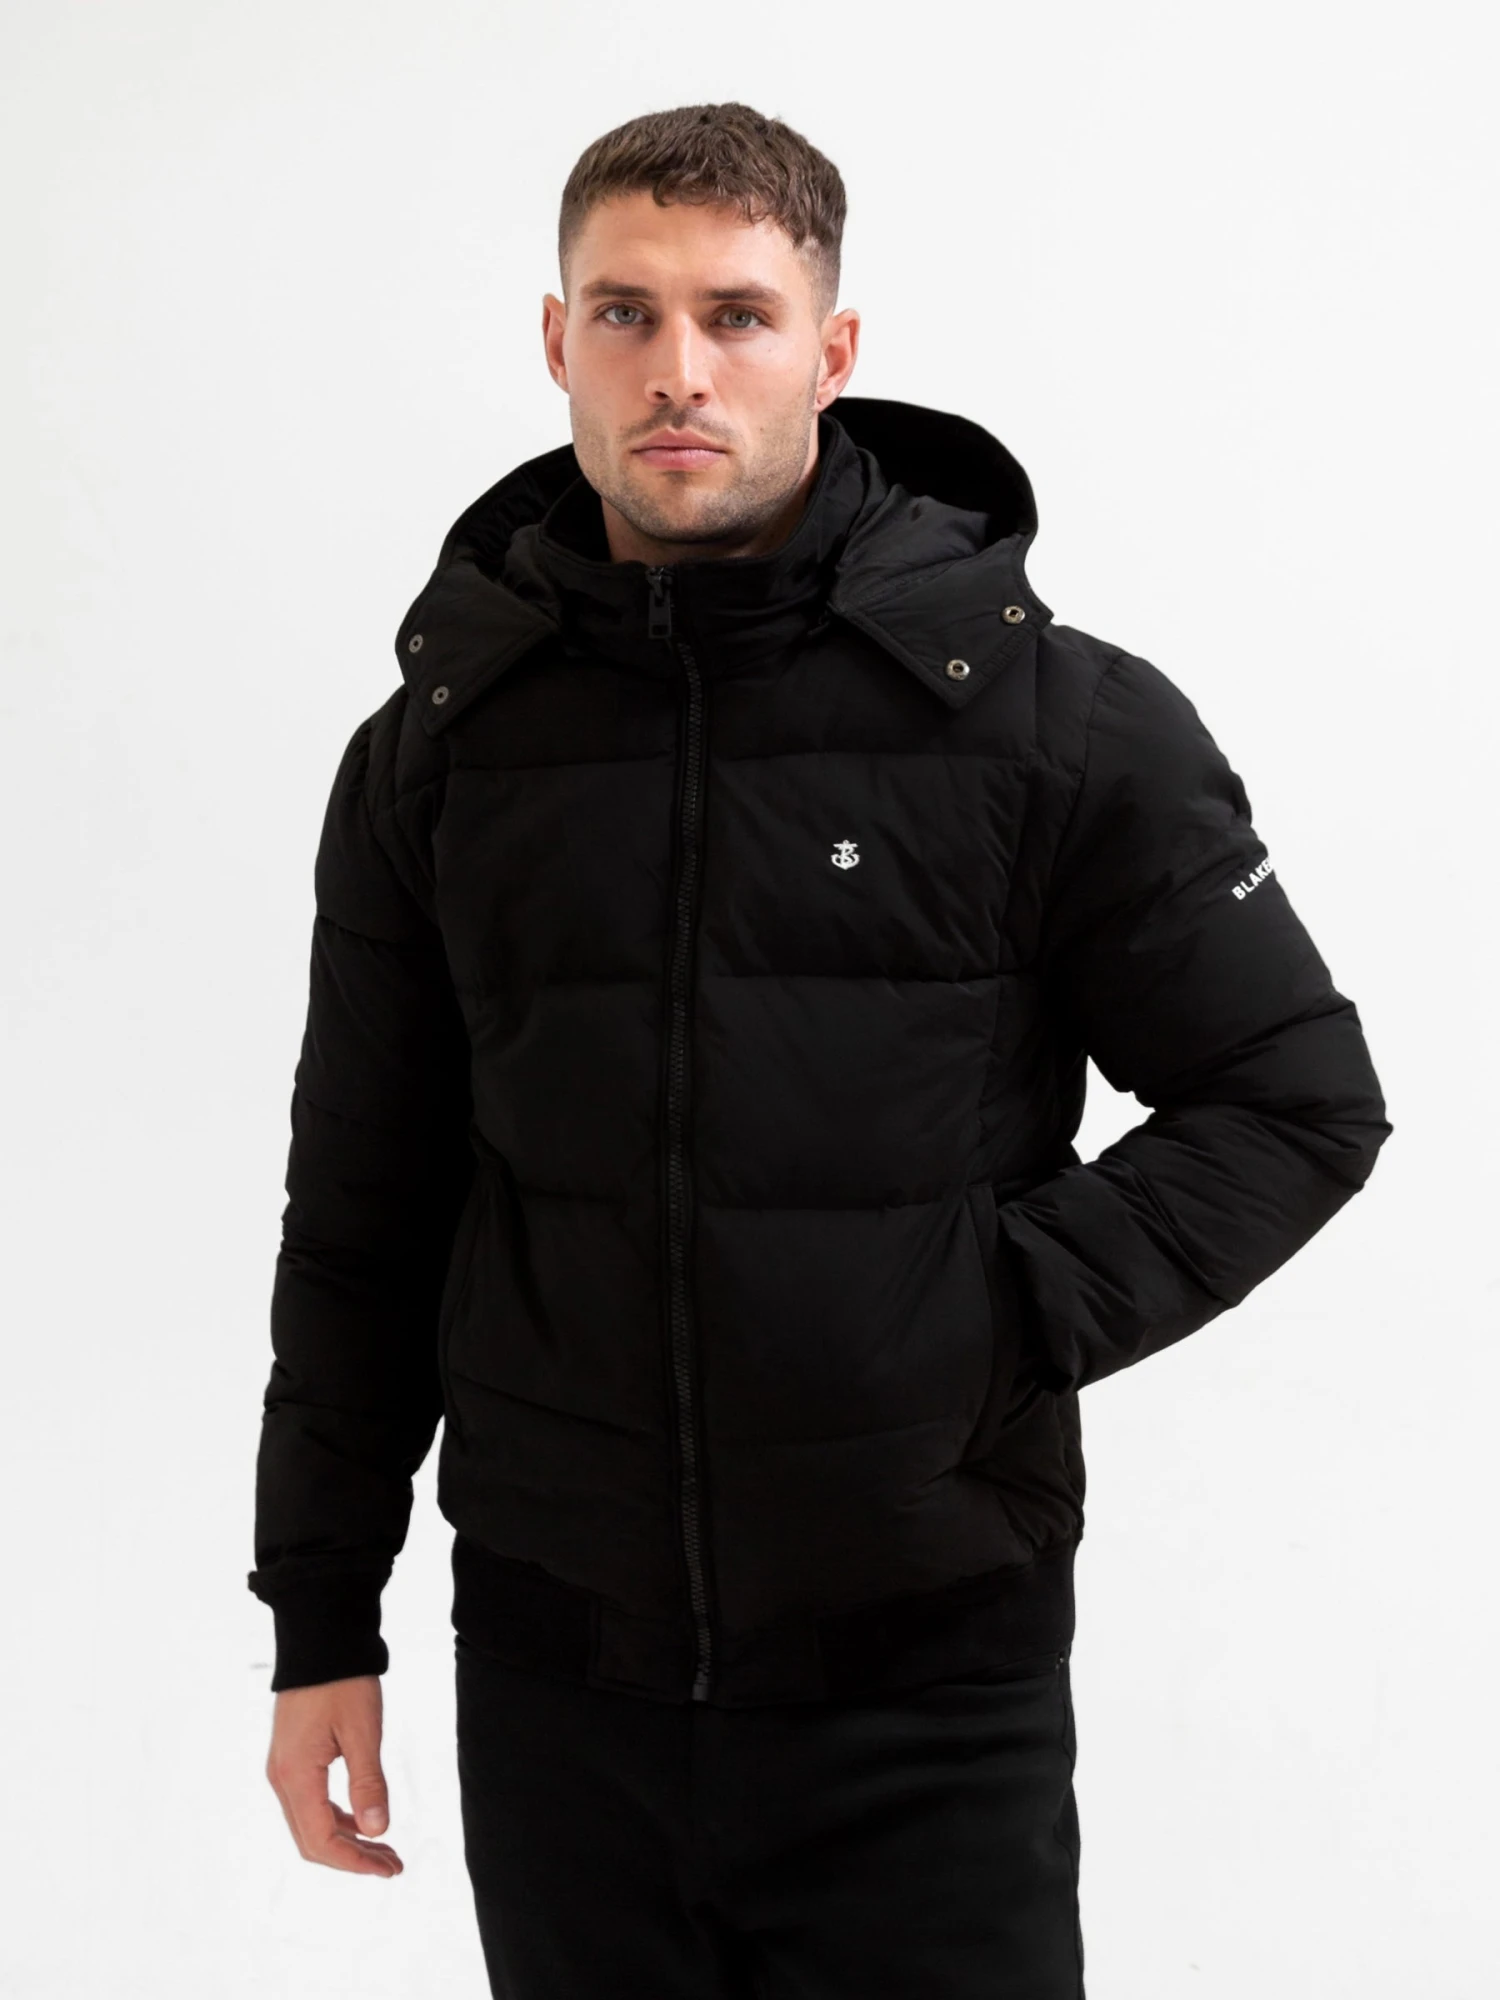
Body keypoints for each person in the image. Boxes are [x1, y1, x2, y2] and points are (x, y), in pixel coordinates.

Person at [248, 100, 1392, 1998]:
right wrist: (318, 1618)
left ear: (832, 348)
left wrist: (986, 1311)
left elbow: (1296, 1099)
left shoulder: (1051, 722)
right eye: (626, 313)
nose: (678, 371)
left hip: (924, 1685)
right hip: (558, 1683)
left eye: (738, 314)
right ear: (556, 340)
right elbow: (363, 1209)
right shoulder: (441, 747)